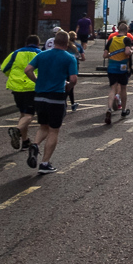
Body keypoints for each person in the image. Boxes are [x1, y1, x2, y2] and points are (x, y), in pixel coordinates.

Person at [24, 30, 78, 174]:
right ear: (67, 44)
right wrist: (68, 88)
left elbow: (28, 70)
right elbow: (73, 79)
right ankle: (45, 164)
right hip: (56, 97)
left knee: (43, 127)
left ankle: (35, 145)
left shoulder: (42, 55)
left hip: (40, 96)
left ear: (54, 42)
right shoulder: (69, 58)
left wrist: (37, 81)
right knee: (54, 130)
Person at [1, 34, 42, 150]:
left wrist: (14, 77)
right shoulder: (40, 54)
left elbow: (4, 68)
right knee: (29, 115)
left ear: (26, 42)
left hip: (17, 88)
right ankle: (17, 130)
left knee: (23, 114)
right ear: (38, 43)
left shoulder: (15, 53)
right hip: (32, 87)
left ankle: (25, 141)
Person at [103, 21, 133, 123]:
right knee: (123, 88)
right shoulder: (127, 39)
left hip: (111, 66)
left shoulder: (111, 40)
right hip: (122, 67)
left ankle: (109, 109)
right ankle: (124, 110)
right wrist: (132, 51)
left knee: (113, 88)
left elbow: (104, 55)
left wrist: (112, 54)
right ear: (126, 31)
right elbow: (127, 52)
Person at [67, 31, 85, 111]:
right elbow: (83, 58)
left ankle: (63, 101)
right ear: (75, 37)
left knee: (63, 82)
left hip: (65, 65)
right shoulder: (78, 46)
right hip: (74, 66)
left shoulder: (66, 45)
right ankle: (72, 103)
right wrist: (79, 59)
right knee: (71, 85)